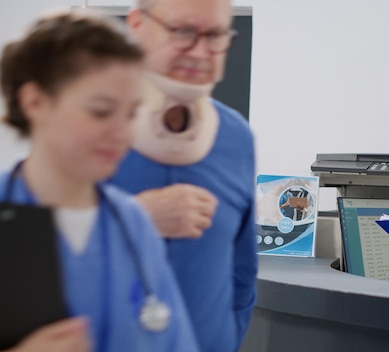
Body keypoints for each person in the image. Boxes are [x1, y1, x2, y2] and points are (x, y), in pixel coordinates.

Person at [0, 12, 198, 351]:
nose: (123, 134)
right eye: (101, 111)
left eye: (131, 113)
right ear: (34, 102)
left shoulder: (131, 222)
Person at [109, 0, 258, 350]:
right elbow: (33, 260)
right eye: (183, 31)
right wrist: (135, 219)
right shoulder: (82, 126)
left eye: (216, 35)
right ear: (136, 24)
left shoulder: (235, 137)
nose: (201, 51)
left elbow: (241, 274)